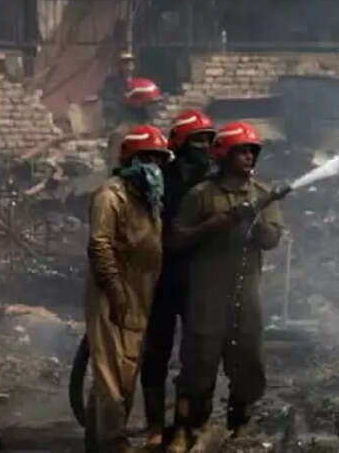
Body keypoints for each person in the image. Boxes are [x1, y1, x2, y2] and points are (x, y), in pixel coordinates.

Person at [168, 122, 285, 451]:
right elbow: (176, 239)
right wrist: (220, 222)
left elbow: (272, 240)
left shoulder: (262, 194)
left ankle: (239, 427)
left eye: (252, 151)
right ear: (224, 155)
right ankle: (189, 429)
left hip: (246, 296)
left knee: (249, 364)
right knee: (199, 365)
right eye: (241, 151)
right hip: (207, 295)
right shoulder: (201, 195)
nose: (248, 157)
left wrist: (256, 220)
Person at [85, 124, 173, 452]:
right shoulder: (111, 196)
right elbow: (100, 244)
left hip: (140, 293)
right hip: (112, 292)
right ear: (130, 160)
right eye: (146, 158)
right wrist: (114, 288)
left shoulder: (149, 199)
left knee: (126, 369)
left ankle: (101, 438)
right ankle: (112, 443)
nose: (153, 165)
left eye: (158, 159)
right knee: (111, 373)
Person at [140, 110, 217, 446]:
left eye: (208, 141)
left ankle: (186, 424)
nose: (204, 147)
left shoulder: (212, 180)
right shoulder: (160, 178)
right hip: (162, 275)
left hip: (198, 278)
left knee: (195, 353)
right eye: (198, 140)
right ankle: (155, 426)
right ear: (181, 143)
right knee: (156, 349)